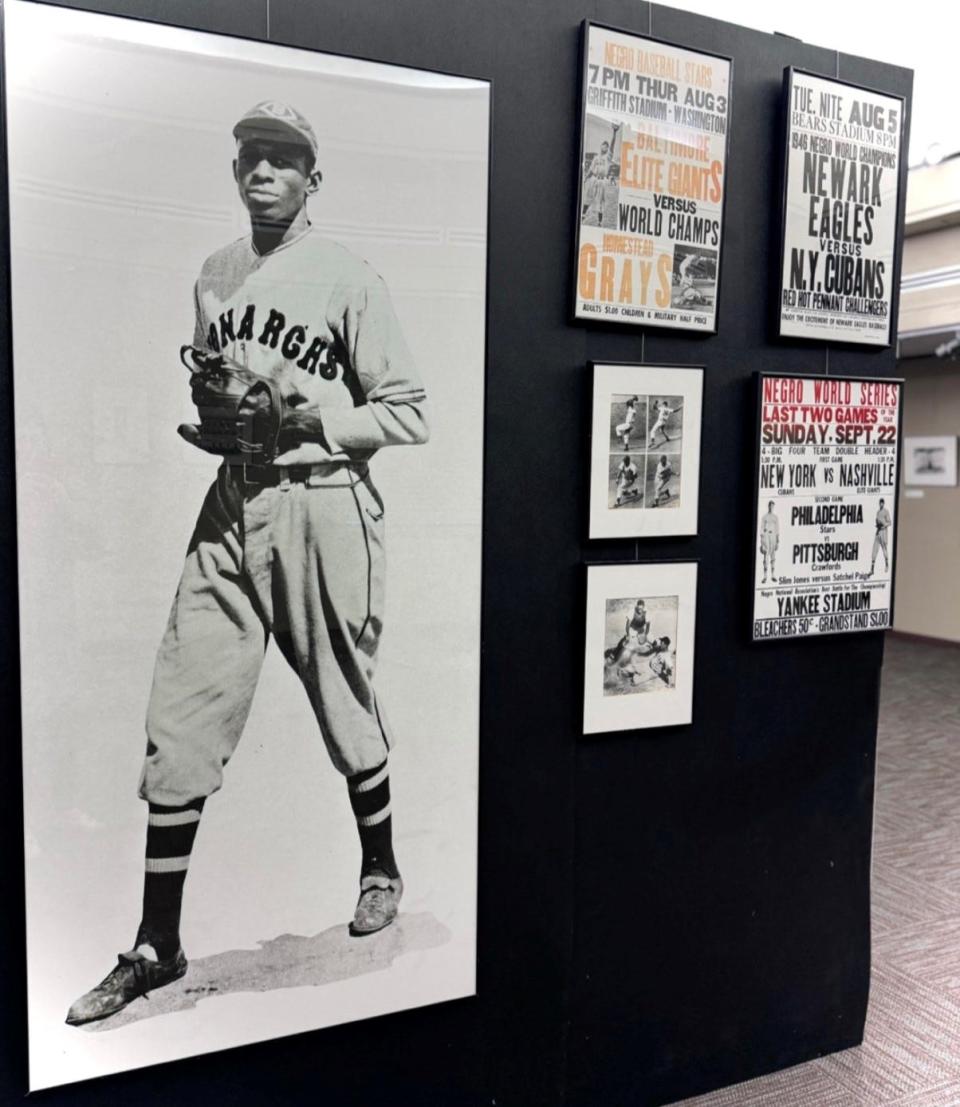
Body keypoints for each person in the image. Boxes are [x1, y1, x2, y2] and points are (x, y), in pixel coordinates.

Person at [66, 100, 429, 1026]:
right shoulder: (215, 275)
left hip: (323, 501)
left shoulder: (350, 277)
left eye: (283, 158)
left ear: (313, 177)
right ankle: (158, 943)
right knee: (181, 705)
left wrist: (311, 416)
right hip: (235, 498)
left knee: (345, 695)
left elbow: (406, 410)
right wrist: (219, 402)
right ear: (235, 175)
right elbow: (218, 385)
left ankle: (380, 863)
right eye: (250, 158)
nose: (262, 171)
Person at [868, 498, 892, 577]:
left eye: (882, 503)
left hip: (883, 532)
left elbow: (890, 522)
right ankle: (872, 569)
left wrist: (884, 524)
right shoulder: (878, 512)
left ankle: (887, 565)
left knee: (884, 549)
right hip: (878, 531)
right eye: (880, 503)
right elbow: (877, 520)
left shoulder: (886, 511)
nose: (881, 504)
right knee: (874, 549)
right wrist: (877, 523)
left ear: (883, 503)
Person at [760, 501, 779, 584]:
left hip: (773, 537)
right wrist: (762, 543)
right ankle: (765, 576)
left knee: (773, 556)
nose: (771, 507)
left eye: (772, 506)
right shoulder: (764, 517)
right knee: (766, 556)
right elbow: (761, 530)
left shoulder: (775, 517)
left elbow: (777, 530)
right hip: (766, 536)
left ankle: (773, 575)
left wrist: (777, 541)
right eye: (770, 506)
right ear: (768, 506)